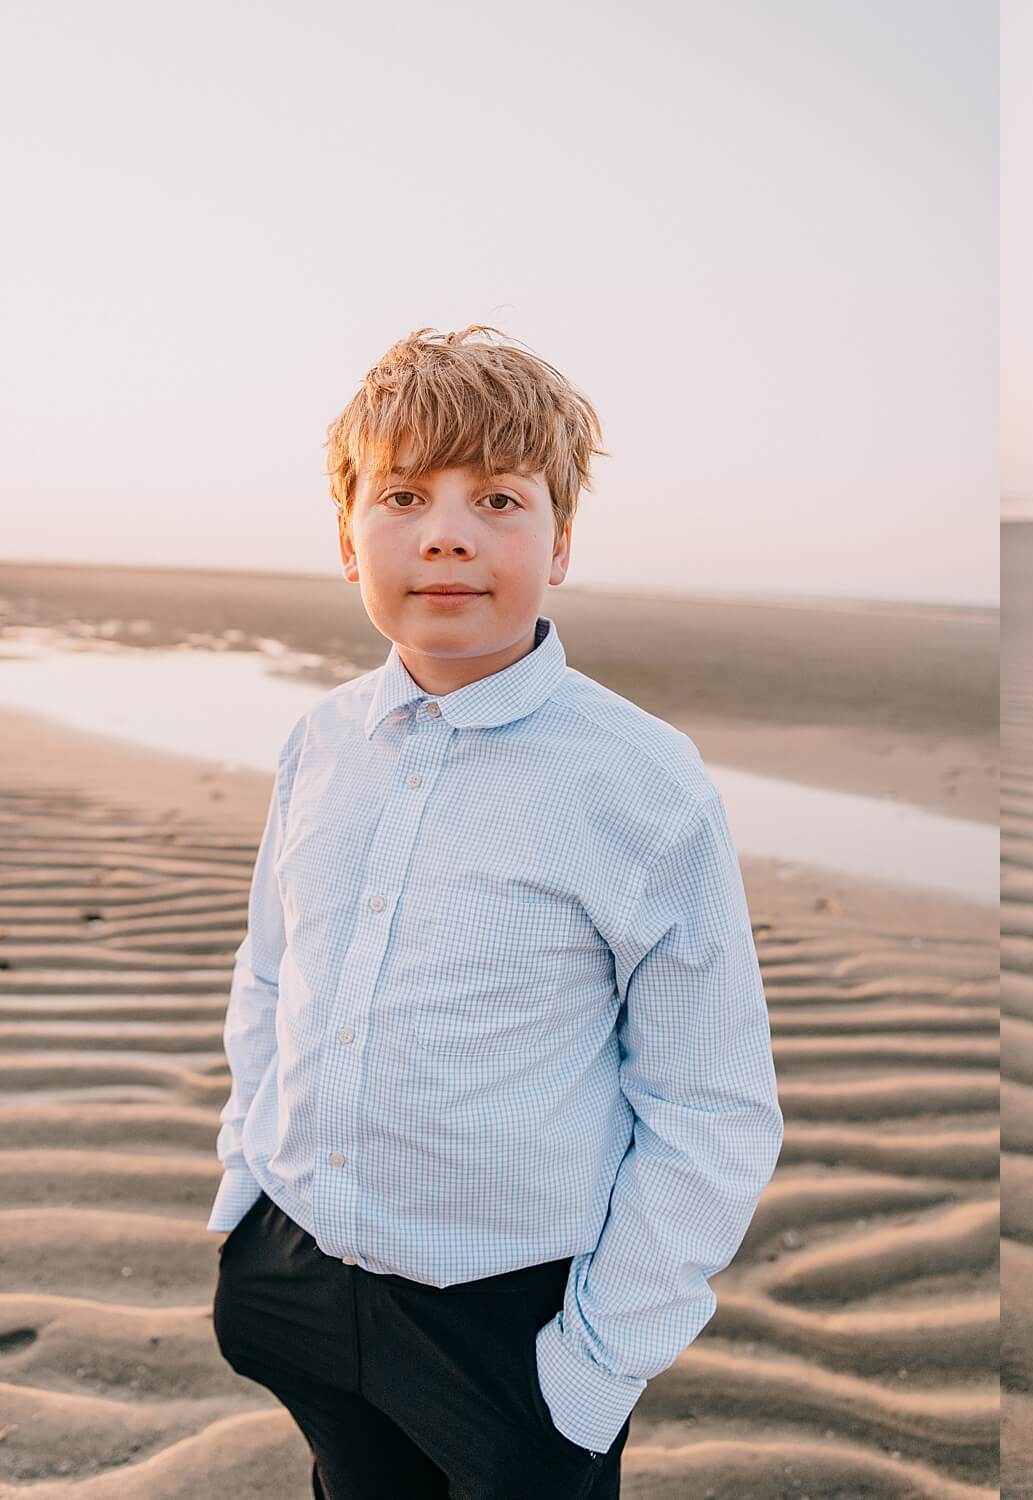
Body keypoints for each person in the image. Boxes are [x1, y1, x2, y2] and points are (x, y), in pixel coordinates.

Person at [207, 326, 785, 1499]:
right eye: (405, 494)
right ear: (346, 534)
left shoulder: (639, 781)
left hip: (507, 1325)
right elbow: (271, 978)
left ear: (560, 542)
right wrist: (243, 1200)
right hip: (297, 1271)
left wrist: (593, 1366)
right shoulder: (317, 744)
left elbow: (709, 1104)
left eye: (499, 498)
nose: (448, 531)